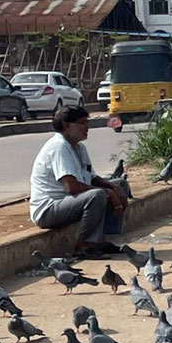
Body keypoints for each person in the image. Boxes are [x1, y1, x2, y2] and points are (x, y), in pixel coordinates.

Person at [30, 106, 128, 256]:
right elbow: (71, 187)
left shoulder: (79, 147)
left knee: (120, 184)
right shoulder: (59, 147)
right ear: (66, 126)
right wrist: (108, 192)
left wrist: (113, 188)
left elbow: (92, 178)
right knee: (98, 195)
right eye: (82, 123)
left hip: (69, 202)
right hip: (48, 209)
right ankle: (85, 245)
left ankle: (102, 240)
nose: (86, 127)